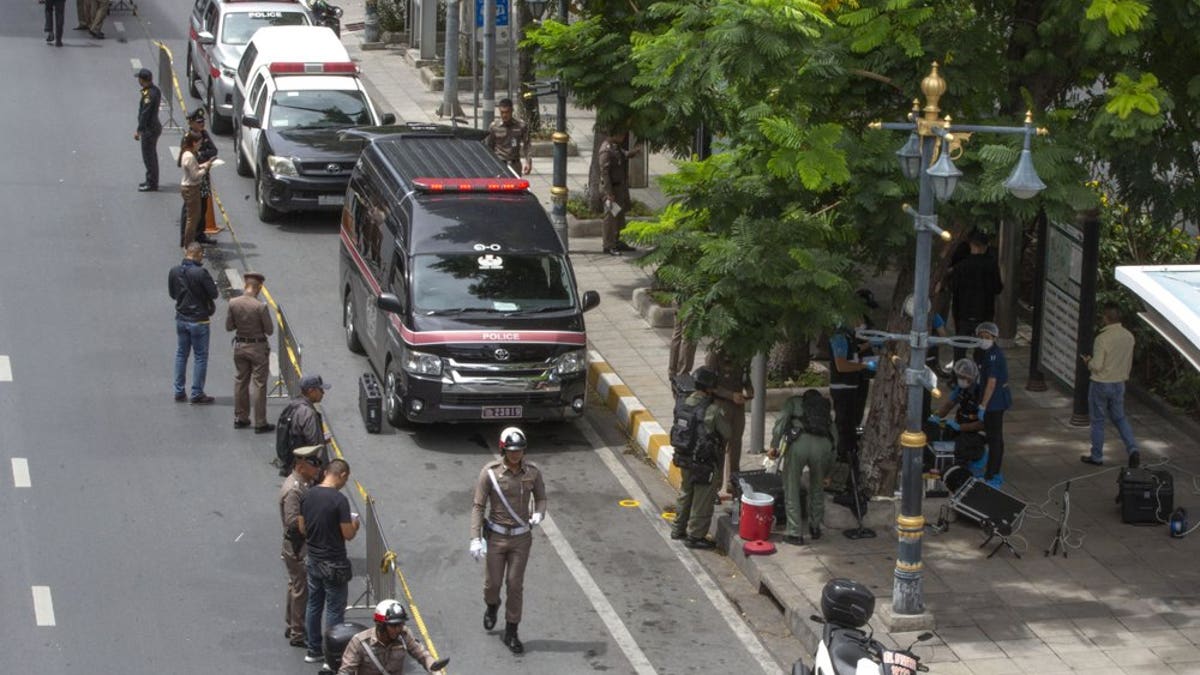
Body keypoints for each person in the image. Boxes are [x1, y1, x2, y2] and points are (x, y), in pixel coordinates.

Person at [469, 427, 546, 655]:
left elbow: (541, 497)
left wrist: (539, 513)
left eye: (520, 450)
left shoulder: (532, 472)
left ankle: (512, 631)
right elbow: (478, 506)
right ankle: (492, 605)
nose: (516, 454)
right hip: (496, 537)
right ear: (503, 450)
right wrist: (474, 538)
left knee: (514, 584)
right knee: (492, 584)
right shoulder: (490, 473)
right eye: (512, 450)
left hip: (521, 538)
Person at [299, 458, 359, 665]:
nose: (345, 483)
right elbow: (348, 534)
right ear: (342, 475)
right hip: (333, 563)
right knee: (334, 609)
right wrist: (355, 524)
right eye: (346, 479)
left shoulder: (308, 495)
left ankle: (313, 649)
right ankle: (332, 656)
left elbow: (302, 528)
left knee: (314, 604)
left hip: (313, 559)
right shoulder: (339, 500)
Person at [668, 367, 730, 550]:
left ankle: (678, 528)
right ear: (710, 388)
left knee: (686, 492)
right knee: (702, 499)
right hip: (703, 461)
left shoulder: (682, 403)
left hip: (683, 456)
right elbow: (728, 432)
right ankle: (695, 536)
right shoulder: (712, 410)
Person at [769, 389, 836, 545]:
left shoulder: (793, 402)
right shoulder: (825, 411)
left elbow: (780, 423)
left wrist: (774, 446)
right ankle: (815, 528)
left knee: (791, 487)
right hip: (823, 447)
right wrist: (828, 473)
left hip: (798, 444)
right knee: (817, 487)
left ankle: (794, 532)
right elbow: (835, 443)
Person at [1081, 303, 1139, 468]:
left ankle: (1097, 456)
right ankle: (1133, 449)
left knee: (1098, 421)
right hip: (1119, 383)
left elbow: (1097, 365)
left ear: (1105, 318)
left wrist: (1088, 362)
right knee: (1120, 418)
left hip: (1101, 383)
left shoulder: (1102, 338)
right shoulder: (1129, 336)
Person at [280, 445, 323, 648]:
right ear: (302, 465)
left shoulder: (303, 484)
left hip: (297, 545)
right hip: (297, 546)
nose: (317, 468)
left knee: (295, 585)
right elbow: (292, 522)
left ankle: (292, 625)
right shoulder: (294, 490)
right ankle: (298, 632)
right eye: (313, 464)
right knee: (301, 588)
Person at [338, 600, 449, 674]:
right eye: (393, 625)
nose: (398, 629)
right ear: (380, 625)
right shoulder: (360, 642)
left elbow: (421, 654)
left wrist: (433, 666)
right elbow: (346, 671)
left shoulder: (404, 635)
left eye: (401, 624)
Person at [168, 242, 219, 404]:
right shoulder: (201, 273)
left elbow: (172, 293)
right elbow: (214, 293)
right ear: (198, 254)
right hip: (199, 320)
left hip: (181, 318)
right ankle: (196, 392)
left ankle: (179, 391)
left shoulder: (175, 271)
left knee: (181, 354)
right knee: (200, 357)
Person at [225, 271, 274, 432]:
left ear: (245, 285)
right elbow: (269, 330)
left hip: (240, 346)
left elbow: (229, 327)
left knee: (240, 381)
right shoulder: (260, 306)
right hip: (257, 348)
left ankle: (241, 417)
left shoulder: (233, 303)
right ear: (259, 288)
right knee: (259, 384)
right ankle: (260, 422)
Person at [945, 231, 1003, 362]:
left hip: (963, 313)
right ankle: (980, 374)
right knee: (982, 348)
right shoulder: (991, 265)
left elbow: (953, 288)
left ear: (971, 245)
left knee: (960, 348)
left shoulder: (961, 266)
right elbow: (998, 288)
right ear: (985, 246)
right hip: (984, 313)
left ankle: (957, 375)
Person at [706, 348, 753, 495]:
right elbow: (709, 384)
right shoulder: (715, 354)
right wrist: (730, 395)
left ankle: (733, 482)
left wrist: (749, 390)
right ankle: (716, 485)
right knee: (720, 444)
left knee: (736, 444)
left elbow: (745, 378)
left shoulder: (744, 352)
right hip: (721, 405)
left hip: (738, 406)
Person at [829, 319, 875, 463]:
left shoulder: (849, 337)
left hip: (852, 387)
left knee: (852, 423)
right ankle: (843, 459)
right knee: (845, 427)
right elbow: (841, 365)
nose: (861, 322)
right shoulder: (839, 337)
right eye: (858, 319)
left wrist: (871, 344)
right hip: (842, 388)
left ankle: (849, 454)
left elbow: (855, 350)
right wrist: (864, 366)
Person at [928, 359, 987, 469]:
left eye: (963, 377)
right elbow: (949, 404)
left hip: (976, 432)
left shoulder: (981, 393)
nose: (961, 380)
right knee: (939, 438)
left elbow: (982, 424)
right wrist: (936, 417)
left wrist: (961, 427)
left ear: (971, 377)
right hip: (961, 426)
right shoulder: (960, 389)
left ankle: (978, 453)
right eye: (959, 376)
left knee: (958, 448)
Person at [973, 322, 1011, 487]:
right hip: (990, 401)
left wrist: (983, 405)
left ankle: (992, 474)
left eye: (987, 337)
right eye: (981, 337)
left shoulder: (994, 355)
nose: (983, 340)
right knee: (992, 436)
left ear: (994, 338)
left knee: (994, 438)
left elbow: (992, 382)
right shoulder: (983, 353)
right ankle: (991, 471)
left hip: (994, 402)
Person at [277, 374, 331, 476]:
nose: (323, 393)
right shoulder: (308, 414)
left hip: (293, 464)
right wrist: (323, 472)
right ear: (311, 390)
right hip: (307, 468)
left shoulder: (292, 406)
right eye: (320, 389)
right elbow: (316, 446)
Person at [597, 129, 640, 256]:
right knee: (610, 218)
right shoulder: (606, 150)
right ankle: (608, 244)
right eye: (621, 133)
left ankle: (619, 241)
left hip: (619, 188)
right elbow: (605, 174)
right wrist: (609, 193)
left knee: (620, 216)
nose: (623, 136)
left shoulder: (615, 147)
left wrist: (633, 153)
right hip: (611, 189)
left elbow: (623, 155)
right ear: (613, 134)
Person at [179, 108, 219, 245]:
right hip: (193, 178)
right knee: (190, 211)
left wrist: (203, 156)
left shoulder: (204, 134)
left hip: (204, 176)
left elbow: (214, 150)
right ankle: (185, 238)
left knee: (203, 208)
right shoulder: (187, 138)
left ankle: (199, 234)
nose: (202, 124)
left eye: (202, 122)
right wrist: (202, 157)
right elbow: (187, 156)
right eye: (198, 122)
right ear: (191, 123)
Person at [483, 99, 531, 176]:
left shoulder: (521, 126)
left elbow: (527, 145)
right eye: (502, 112)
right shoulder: (494, 127)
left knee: (515, 187)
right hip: (499, 164)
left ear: (512, 111)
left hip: (515, 165)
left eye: (507, 112)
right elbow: (489, 147)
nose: (504, 115)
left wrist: (528, 162)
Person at [135, 68, 162, 192]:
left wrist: (139, 130)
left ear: (143, 80)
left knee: (148, 157)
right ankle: (150, 180)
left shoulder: (149, 95)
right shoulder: (154, 90)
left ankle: (152, 183)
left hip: (149, 130)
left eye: (139, 79)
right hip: (153, 127)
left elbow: (145, 114)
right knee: (151, 156)